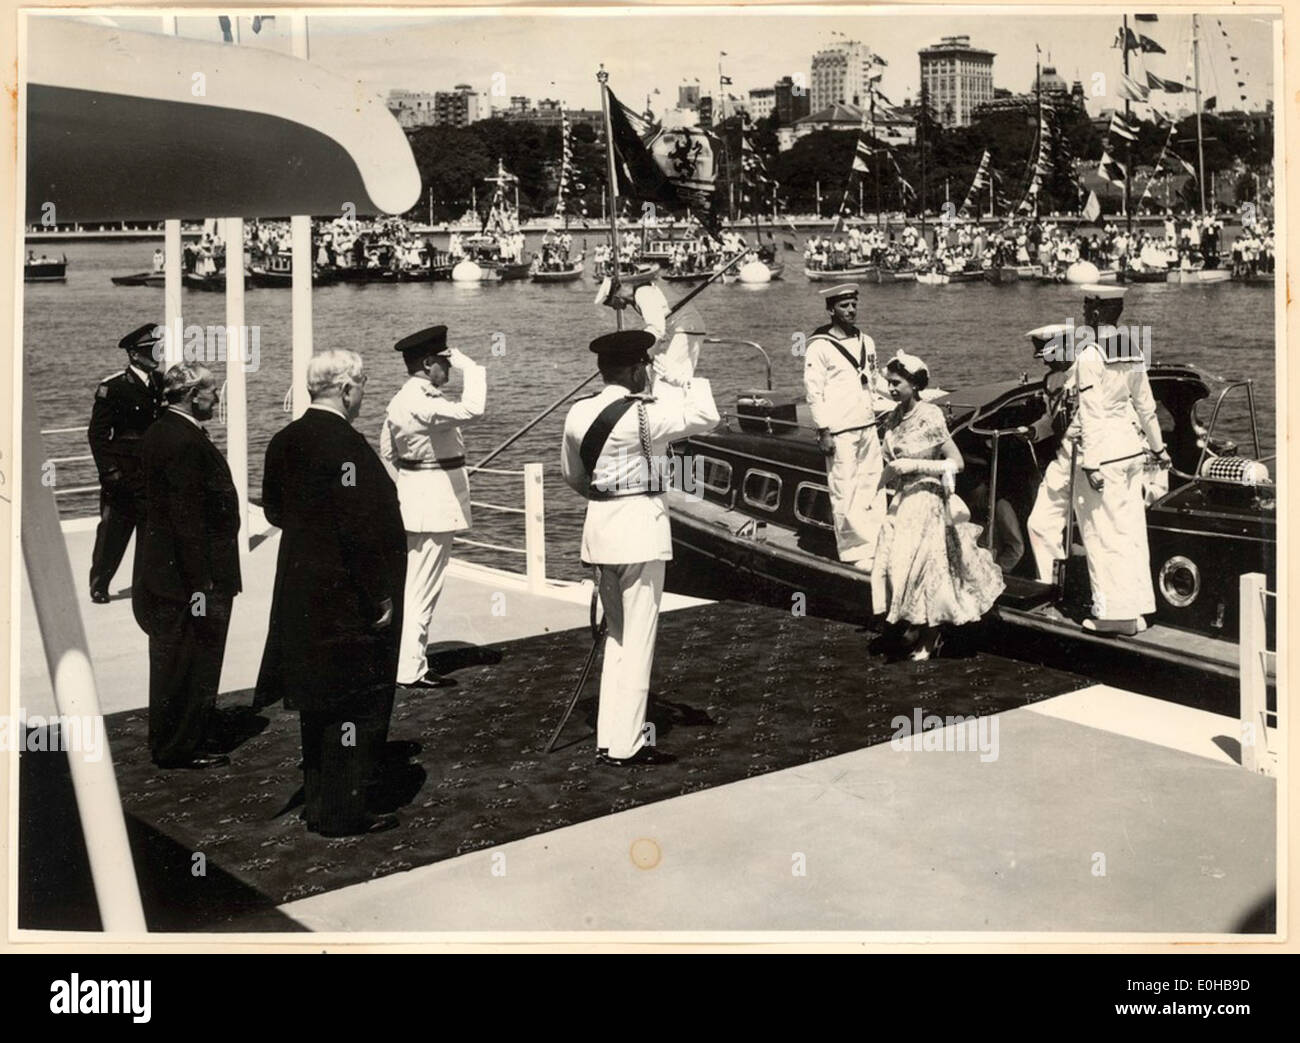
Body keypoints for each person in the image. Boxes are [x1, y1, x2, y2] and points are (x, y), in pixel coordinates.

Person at [256, 350, 407, 836]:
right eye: (361, 386)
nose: (363, 395)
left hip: (303, 593)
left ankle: (319, 802)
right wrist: (379, 595)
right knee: (357, 706)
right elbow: (360, 529)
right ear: (346, 389)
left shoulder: (285, 440)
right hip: (349, 599)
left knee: (319, 704)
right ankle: (344, 812)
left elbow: (275, 511)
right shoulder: (348, 446)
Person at [560, 329, 719, 765]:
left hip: (600, 531)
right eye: (645, 368)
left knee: (617, 635)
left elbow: (572, 476)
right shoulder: (647, 415)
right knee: (639, 639)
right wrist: (683, 378)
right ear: (635, 370)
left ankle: (611, 737)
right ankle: (626, 745)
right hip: (641, 533)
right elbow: (708, 415)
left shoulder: (577, 413)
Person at [132, 363, 240, 769]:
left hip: (173, 575)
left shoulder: (164, 431)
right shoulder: (182, 442)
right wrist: (202, 585)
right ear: (195, 395)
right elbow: (186, 519)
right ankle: (180, 746)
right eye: (212, 391)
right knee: (191, 659)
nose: (216, 398)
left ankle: (183, 736)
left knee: (180, 661)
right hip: (191, 580)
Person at [871, 352, 1005, 660]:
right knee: (892, 565)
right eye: (889, 383)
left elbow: (955, 463)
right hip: (901, 500)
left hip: (926, 501)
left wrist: (913, 465)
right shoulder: (893, 417)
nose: (891, 389)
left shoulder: (930, 415)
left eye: (897, 383)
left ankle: (929, 636)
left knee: (924, 569)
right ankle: (911, 625)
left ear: (914, 384)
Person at [380, 325, 486, 688]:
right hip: (433, 505)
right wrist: (473, 367)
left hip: (417, 500)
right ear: (428, 363)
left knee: (414, 586)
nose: (450, 369)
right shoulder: (422, 401)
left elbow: (388, 453)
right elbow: (474, 409)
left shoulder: (400, 400)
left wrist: (410, 484)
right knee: (422, 590)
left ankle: (406, 662)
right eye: (445, 362)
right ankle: (410, 669)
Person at [1074, 286, 1171, 635]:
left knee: (1102, 534)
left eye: (1087, 307)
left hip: (1106, 457)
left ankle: (1113, 615)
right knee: (1130, 533)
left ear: (1098, 313)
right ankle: (1138, 609)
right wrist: (1159, 449)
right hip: (1133, 452)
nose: (1084, 313)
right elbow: (1146, 406)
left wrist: (1091, 462)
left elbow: (1091, 413)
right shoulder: (1131, 349)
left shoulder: (1089, 356)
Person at [803, 284, 890, 570]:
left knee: (873, 485)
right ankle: (854, 552)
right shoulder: (819, 346)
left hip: (867, 425)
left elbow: (874, 381)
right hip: (840, 429)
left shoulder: (867, 341)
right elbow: (813, 391)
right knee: (845, 490)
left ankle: (877, 542)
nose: (851, 310)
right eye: (844, 306)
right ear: (831, 310)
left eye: (853, 304)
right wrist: (823, 429)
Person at [87, 323, 168, 603]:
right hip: (122, 472)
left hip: (151, 471)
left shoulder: (161, 383)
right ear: (134, 355)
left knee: (150, 532)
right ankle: (99, 583)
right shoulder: (114, 387)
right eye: (150, 350)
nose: (156, 355)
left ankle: (143, 586)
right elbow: (97, 434)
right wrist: (109, 471)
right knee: (113, 533)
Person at [1024, 322, 1084, 584]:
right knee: (1039, 524)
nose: (1046, 364)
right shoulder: (1053, 380)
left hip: (1093, 460)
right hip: (1064, 459)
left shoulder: (1090, 371)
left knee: (1094, 533)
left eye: (1049, 356)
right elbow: (1053, 418)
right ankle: (1051, 586)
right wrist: (1033, 431)